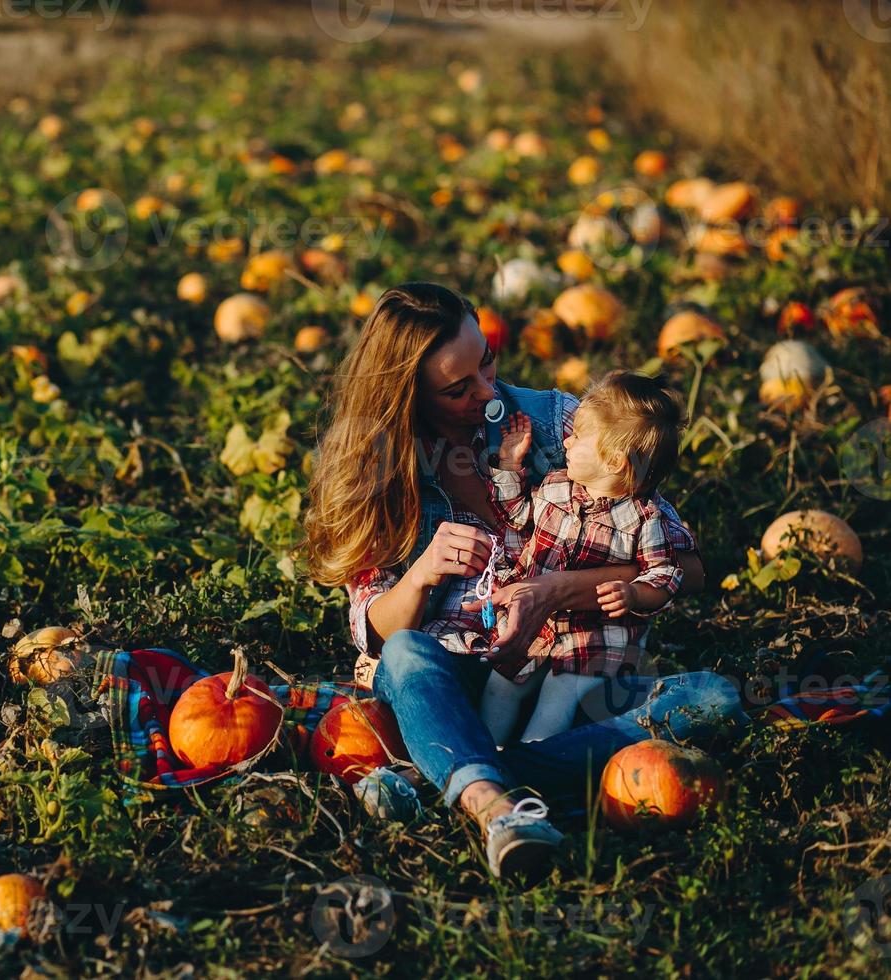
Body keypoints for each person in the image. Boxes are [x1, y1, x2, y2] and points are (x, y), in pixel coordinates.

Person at [300, 282, 744, 882]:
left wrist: (557, 591)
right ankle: (497, 806)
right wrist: (424, 573)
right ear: (405, 398)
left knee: (713, 700)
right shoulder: (379, 470)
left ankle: (470, 777)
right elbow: (373, 630)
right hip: (461, 676)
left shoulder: (558, 422)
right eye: (459, 388)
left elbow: (684, 569)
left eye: (486, 361)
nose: (487, 393)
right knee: (405, 655)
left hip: (569, 668)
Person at [474, 371, 686, 748]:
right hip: (538, 627)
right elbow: (517, 516)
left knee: (558, 698)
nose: (566, 441)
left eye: (578, 437)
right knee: (500, 685)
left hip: (593, 638)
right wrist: (509, 466)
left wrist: (635, 595)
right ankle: (487, 752)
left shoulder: (643, 519)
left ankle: (533, 763)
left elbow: (666, 574)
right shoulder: (556, 487)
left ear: (615, 460)